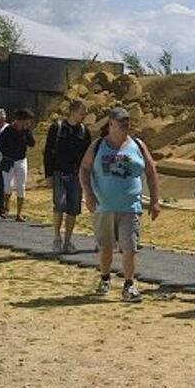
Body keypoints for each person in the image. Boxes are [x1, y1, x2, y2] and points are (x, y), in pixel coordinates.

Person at [79, 107, 160, 303]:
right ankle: (105, 278)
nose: (126, 125)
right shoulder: (98, 145)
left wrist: (155, 200)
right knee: (106, 248)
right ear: (111, 124)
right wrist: (88, 193)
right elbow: (84, 169)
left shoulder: (138, 145)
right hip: (103, 206)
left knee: (129, 247)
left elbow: (151, 170)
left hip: (130, 206)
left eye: (128, 121)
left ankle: (129, 284)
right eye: (121, 121)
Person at [43, 100, 92, 253]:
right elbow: (48, 153)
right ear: (73, 112)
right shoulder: (56, 128)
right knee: (59, 205)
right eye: (82, 113)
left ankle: (68, 241)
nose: (84, 116)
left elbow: (88, 156)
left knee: (73, 208)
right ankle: (57, 237)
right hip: (58, 173)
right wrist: (48, 175)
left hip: (76, 175)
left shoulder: (84, 131)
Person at [0, 109, 36, 221]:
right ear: (21, 120)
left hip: (21, 160)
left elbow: (32, 143)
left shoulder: (26, 131)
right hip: (8, 160)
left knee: (21, 186)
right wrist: (6, 154)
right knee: (8, 186)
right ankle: (6, 208)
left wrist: (27, 133)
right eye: (27, 121)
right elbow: (0, 144)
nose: (29, 123)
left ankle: (19, 213)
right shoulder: (8, 130)